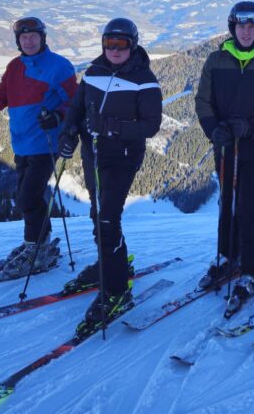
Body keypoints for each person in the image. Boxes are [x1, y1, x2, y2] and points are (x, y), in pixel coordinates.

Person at [0, 15, 77, 277]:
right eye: (24, 37)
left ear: (43, 38)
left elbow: (74, 102)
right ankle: (40, 245)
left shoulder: (59, 67)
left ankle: (36, 249)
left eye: (34, 36)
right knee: (29, 195)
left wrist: (58, 116)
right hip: (22, 144)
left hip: (46, 143)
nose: (29, 41)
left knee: (27, 197)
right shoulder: (14, 67)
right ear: (18, 41)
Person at [57, 18, 162, 334]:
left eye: (121, 45)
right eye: (109, 44)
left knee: (107, 220)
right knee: (97, 213)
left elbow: (150, 125)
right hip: (93, 156)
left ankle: (117, 290)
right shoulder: (94, 72)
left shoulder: (145, 80)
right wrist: (69, 133)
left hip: (121, 158)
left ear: (133, 44)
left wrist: (113, 127)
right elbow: (77, 108)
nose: (114, 50)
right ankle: (110, 264)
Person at [194, 1, 254, 312]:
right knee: (227, 202)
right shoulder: (216, 60)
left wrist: (251, 128)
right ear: (232, 27)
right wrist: (213, 129)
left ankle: (252, 270)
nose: (246, 31)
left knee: (249, 207)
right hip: (224, 144)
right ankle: (227, 255)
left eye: (252, 26)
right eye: (241, 25)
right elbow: (203, 100)